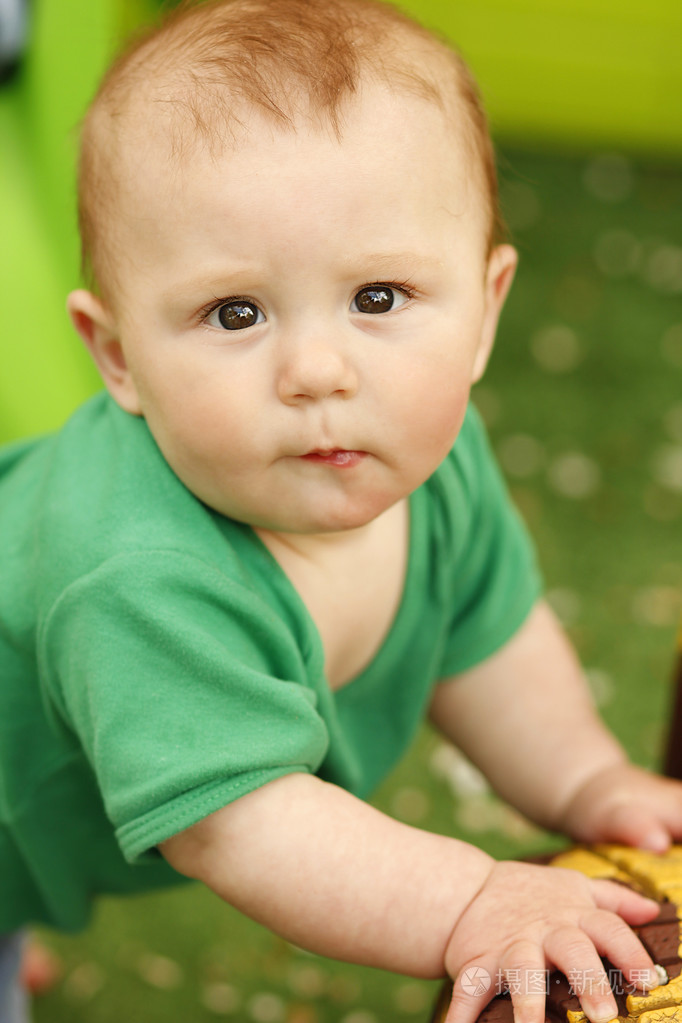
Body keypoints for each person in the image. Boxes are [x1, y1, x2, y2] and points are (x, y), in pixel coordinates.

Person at [1, 1, 681, 1021]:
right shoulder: (134, 572)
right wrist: (469, 899)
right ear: (118, 358)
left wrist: (589, 782)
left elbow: (486, 637)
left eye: (377, 298)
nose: (318, 372)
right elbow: (242, 825)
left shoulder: (431, 455)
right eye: (235, 313)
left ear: (486, 310)